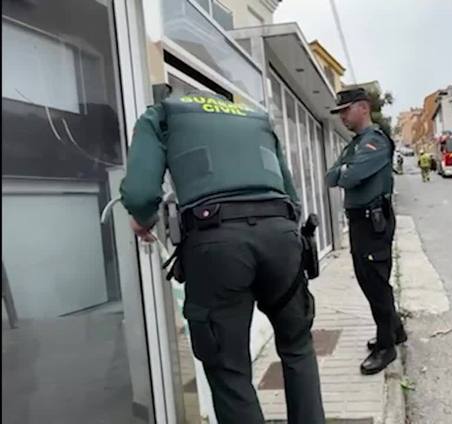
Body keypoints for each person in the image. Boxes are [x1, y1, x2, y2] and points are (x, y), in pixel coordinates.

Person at [120, 89, 325, 424]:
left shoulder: (162, 115)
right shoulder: (255, 118)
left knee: (229, 370)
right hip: (282, 236)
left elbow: (141, 193)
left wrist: (141, 221)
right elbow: (292, 196)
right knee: (298, 347)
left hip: (217, 245)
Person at [325, 88, 407, 375]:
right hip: (361, 222)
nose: (343, 117)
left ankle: (386, 347)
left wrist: (346, 170)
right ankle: (394, 330)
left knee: (375, 282)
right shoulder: (355, 145)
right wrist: (345, 169)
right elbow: (331, 176)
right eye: (340, 113)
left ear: (363, 108)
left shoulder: (375, 142)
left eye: (346, 111)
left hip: (373, 221)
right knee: (370, 279)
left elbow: (349, 177)